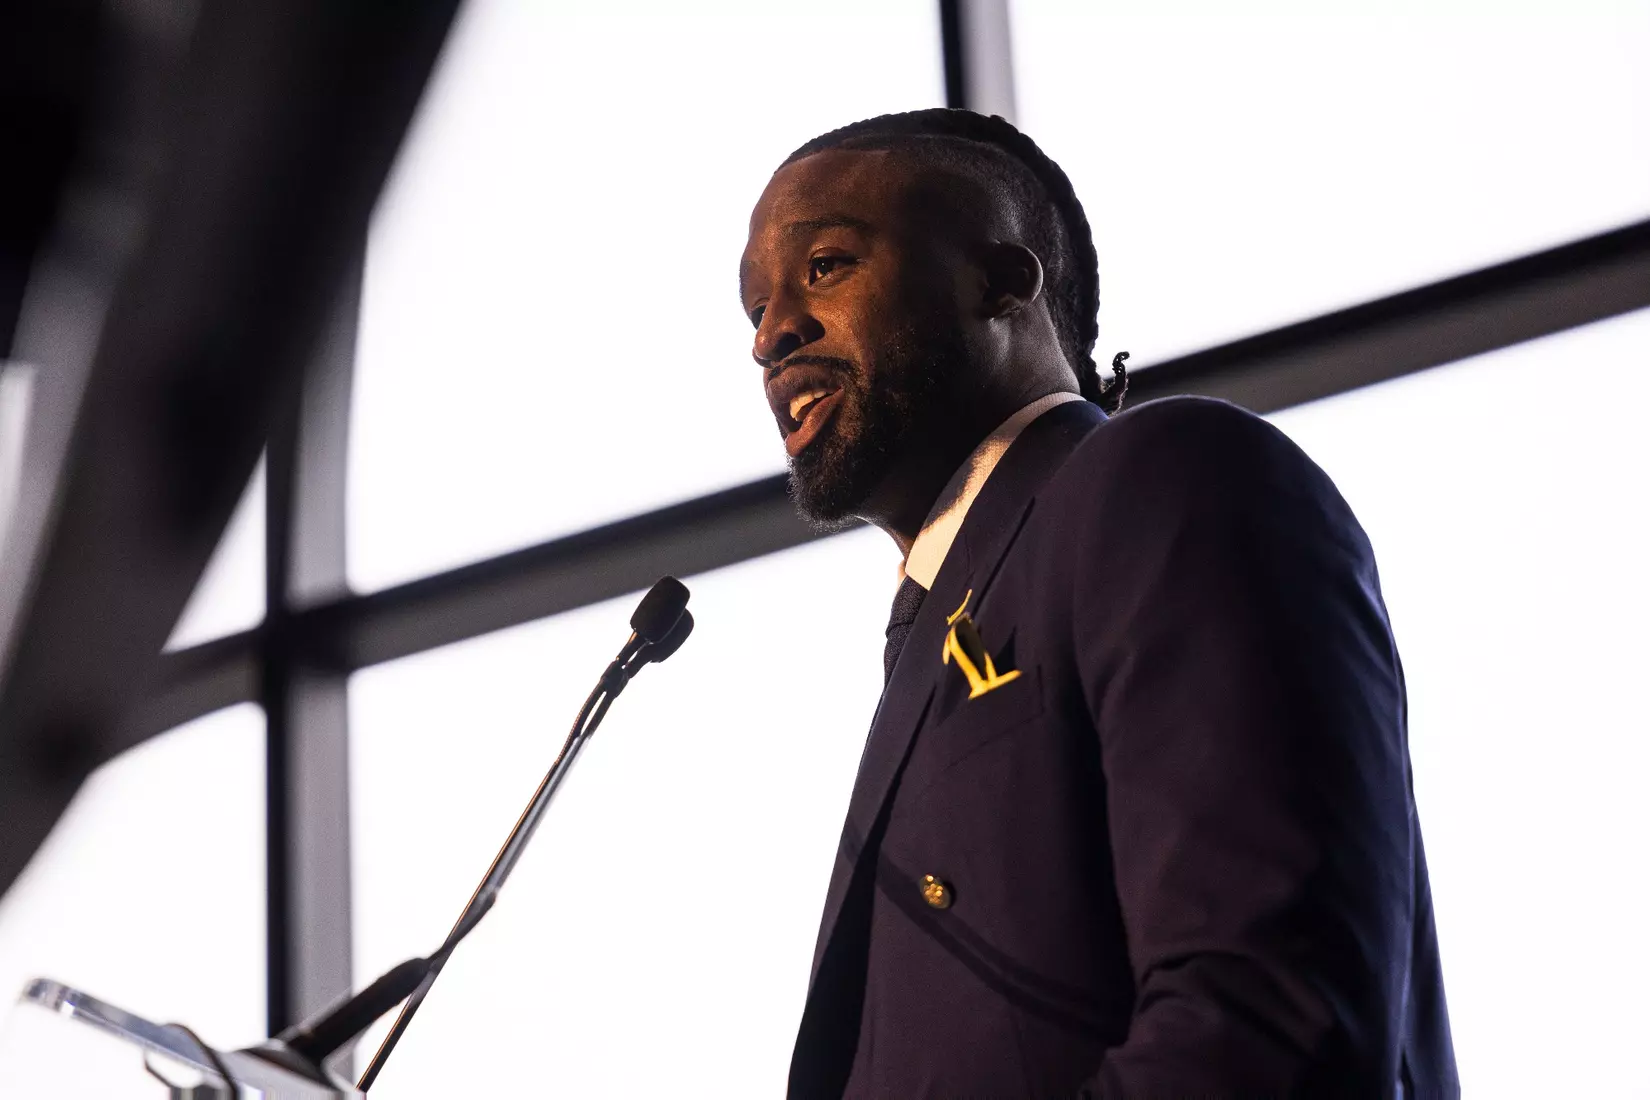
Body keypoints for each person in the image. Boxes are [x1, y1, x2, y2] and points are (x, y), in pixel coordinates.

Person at [738, 108, 1457, 1098]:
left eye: (825, 267)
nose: (773, 334)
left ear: (1001, 281)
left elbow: (1262, 1022)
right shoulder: (943, 619)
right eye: (755, 311)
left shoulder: (1165, 475)